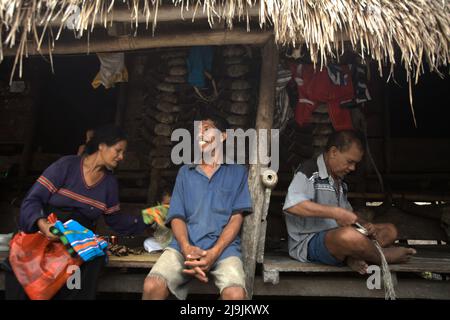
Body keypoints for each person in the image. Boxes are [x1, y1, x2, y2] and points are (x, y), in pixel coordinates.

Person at [4, 124, 149, 299]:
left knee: (91, 261)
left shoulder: (109, 184)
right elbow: (32, 200)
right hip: (48, 233)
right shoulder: (66, 166)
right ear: (102, 145)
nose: (121, 157)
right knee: (25, 266)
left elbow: (116, 220)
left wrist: (148, 218)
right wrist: (44, 225)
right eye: (118, 151)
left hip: (78, 242)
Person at [142, 110, 253, 300]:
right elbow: (177, 216)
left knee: (235, 295)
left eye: (207, 129)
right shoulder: (186, 172)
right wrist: (186, 248)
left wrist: (214, 252)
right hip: (184, 247)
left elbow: (236, 218)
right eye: (199, 131)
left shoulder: (237, 172)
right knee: (153, 285)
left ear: (223, 136)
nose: (201, 134)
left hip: (224, 249)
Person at [283, 130, 416, 274]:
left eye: (355, 163)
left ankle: (352, 257)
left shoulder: (339, 182)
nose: (353, 168)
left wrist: (365, 225)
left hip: (337, 237)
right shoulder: (308, 171)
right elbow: (293, 205)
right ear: (333, 152)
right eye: (350, 161)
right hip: (309, 243)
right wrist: (336, 212)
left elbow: (347, 217)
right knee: (348, 236)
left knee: (389, 230)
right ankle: (383, 257)